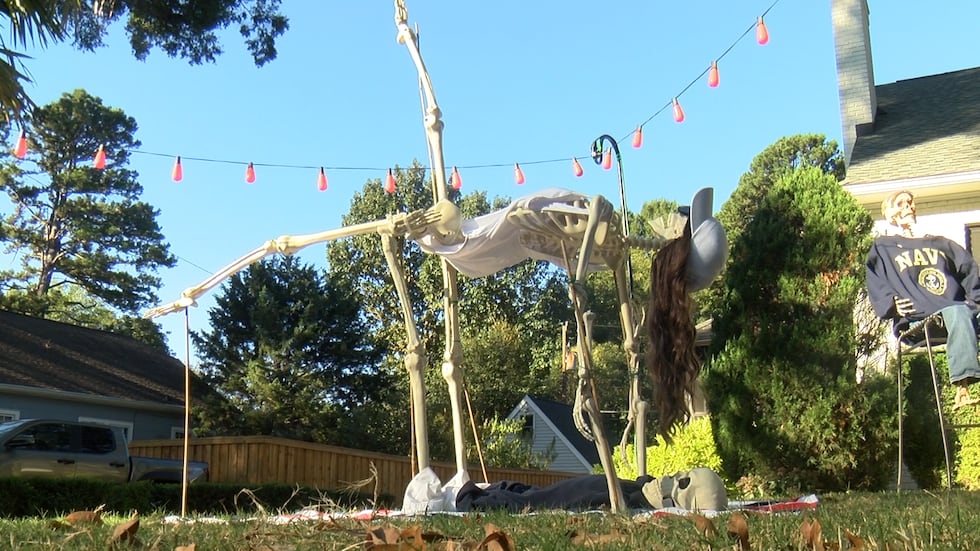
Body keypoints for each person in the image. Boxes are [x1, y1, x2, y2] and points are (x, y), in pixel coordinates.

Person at [865, 190, 980, 409]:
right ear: (890, 213)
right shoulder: (883, 247)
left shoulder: (941, 244)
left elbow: (969, 271)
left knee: (959, 311)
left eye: (910, 202)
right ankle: (962, 389)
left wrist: (974, 302)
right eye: (900, 203)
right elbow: (875, 279)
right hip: (920, 322)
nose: (908, 207)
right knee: (957, 311)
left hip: (958, 313)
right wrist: (891, 305)